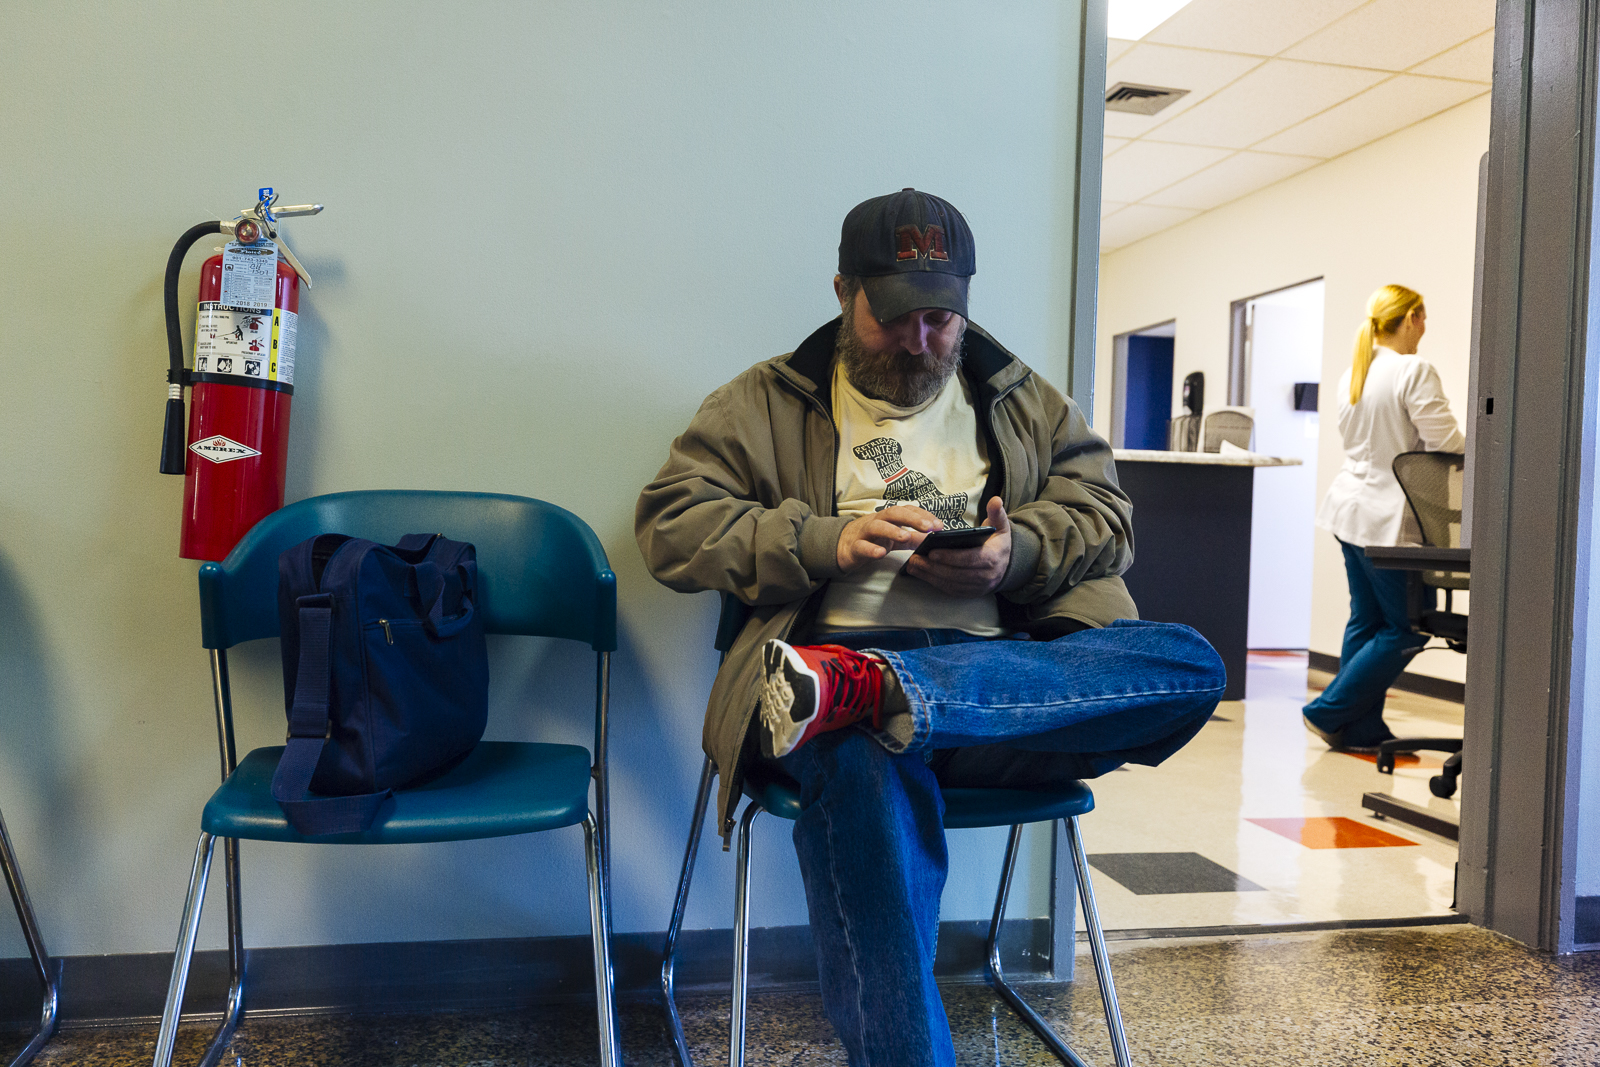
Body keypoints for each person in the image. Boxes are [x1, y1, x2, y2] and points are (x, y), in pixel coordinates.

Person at [635, 188, 1225, 1067]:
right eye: (897, 318)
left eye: (942, 320)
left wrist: (1011, 553)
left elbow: (1109, 515)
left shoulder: (1019, 400)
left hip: (998, 689)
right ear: (844, 292)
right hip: (824, 684)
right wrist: (823, 540)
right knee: (858, 755)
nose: (921, 343)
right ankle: (862, 691)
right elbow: (671, 524)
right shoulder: (765, 400)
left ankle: (885, 693)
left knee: (1189, 664)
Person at [1304, 284, 1465, 753]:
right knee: (1405, 628)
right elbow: (1442, 441)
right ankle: (1328, 710)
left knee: (1367, 620)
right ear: (1412, 316)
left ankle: (1357, 728)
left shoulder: (1356, 371)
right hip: (1389, 520)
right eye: (1424, 318)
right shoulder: (1413, 368)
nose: (1425, 329)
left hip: (1349, 509)